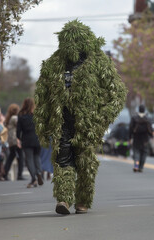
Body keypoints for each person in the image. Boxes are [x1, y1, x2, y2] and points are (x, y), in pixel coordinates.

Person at [34, 20, 127, 215]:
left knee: (85, 162)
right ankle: (64, 199)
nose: (72, 47)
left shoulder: (99, 61)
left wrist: (101, 118)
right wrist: (42, 124)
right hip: (63, 122)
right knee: (62, 159)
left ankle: (83, 200)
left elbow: (117, 94)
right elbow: (42, 96)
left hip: (88, 123)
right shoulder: (54, 64)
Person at [17, 98, 43, 188]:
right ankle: (39, 172)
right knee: (37, 157)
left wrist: (19, 139)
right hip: (37, 139)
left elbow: (18, 131)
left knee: (29, 160)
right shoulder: (37, 115)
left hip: (27, 140)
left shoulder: (21, 116)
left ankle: (33, 178)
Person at [3, 104, 25, 181]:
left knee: (11, 156)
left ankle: (5, 173)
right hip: (16, 140)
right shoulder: (15, 118)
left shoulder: (8, 118)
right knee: (21, 157)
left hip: (11, 141)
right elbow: (21, 125)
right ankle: (20, 174)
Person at [129, 105, 153, 172]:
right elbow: (150, 129)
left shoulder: (134, 118)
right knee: (144, 153)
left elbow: (130, 129)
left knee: (136, 153)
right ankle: (141, 167)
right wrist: (151, 136)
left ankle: (136, 166)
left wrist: (130, 137)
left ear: (138, 109)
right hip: (145, 139)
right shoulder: (148, 118)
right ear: (144, 110)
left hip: (136, 138)